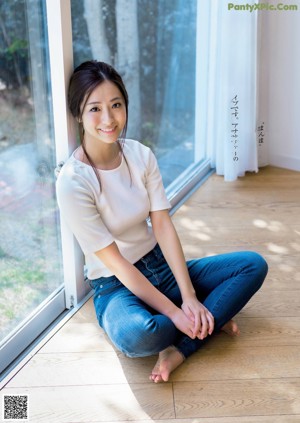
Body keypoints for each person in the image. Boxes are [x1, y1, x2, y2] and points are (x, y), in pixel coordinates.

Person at [56, 60, 268, 383]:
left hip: (160, 266)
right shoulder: (72, 181)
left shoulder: (141, 155)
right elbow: (117, 263)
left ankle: (181, 347)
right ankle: (211, 317)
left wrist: (189, 296)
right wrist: (173, 311)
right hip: (114, 286)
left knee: (253, 266)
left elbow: (163, 226)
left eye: (116, 105)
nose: (109, 119)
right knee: (141, 335)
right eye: (95, 109)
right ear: (78, 114)